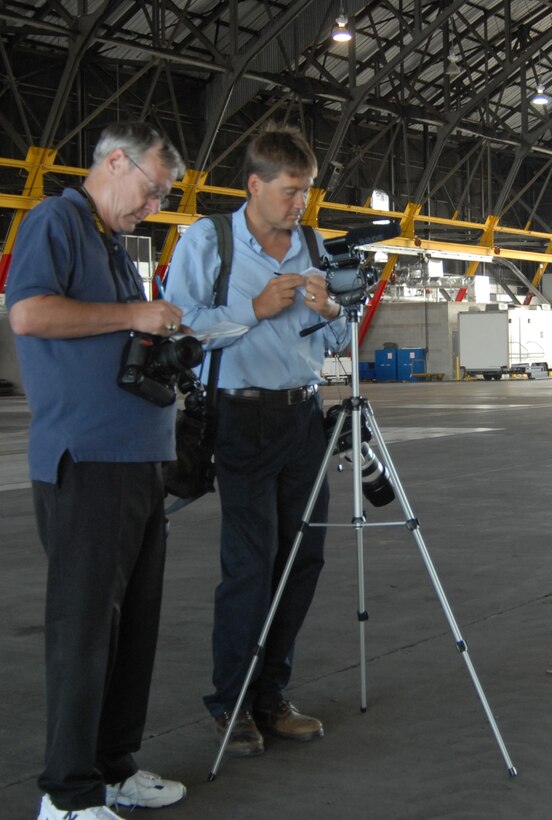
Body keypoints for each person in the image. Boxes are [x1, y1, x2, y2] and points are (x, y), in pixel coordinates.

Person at [6, 122, 188, 819]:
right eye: (151, 189)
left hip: (137, 458)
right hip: (86, 460)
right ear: (115, 162)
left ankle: (113, 767)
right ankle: (68, 793)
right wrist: (134, 311)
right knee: (84, 630)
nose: (152, 205)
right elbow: (28, 314)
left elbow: (115, 331)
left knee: (132, 628)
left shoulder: (112, 241)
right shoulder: (58, 219)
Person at [165, 123, 348, 757]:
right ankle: (233, 702)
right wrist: (254, 310)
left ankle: (272, 694)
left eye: (306, 192)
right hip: (239, 420)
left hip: (302, 418)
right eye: (291, 191)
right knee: (249, 563)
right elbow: (178, 330)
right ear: (255, 185)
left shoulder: (314, 245)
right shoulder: (208, 241)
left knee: (303, 559)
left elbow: (339, 344)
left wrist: (332, 315)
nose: (300, 205)